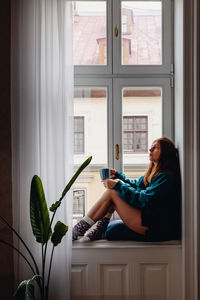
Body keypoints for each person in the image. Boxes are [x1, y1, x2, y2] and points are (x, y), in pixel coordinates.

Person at [72, 137, 181, 242]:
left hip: (155, 227)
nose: (150, 149)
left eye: (155, 147)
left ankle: (78, 229)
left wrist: (118, 185)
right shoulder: (155, 174)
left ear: (165, 153)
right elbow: (137, 186)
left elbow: (143, 200)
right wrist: (119, 177)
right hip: (150, 220)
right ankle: (99, 228)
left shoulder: (165, 177)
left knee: (112, 192)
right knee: (114, 193)